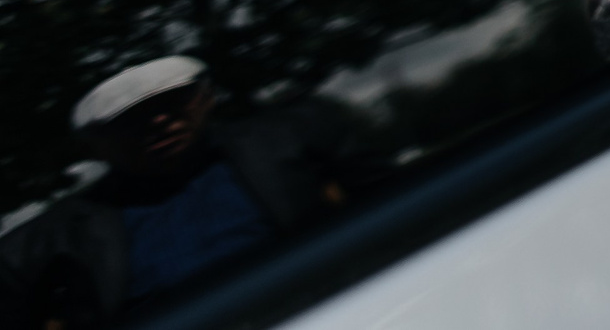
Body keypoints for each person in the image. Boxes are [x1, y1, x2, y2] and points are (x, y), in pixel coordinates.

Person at [0, 59, 362, 327]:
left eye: (172, 103)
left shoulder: (289, 140)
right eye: (131, 118)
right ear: (94, 145)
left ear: (206, 98)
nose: (158, 121)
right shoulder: (61, 233)